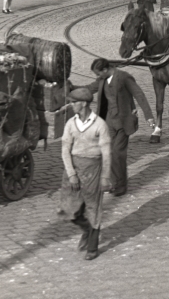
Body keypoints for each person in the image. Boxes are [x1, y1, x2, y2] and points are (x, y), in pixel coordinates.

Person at [59, 87, 111, 260]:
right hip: (74, 168)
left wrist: (105, 177)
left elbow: (107, 153)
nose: (72, 105)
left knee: (93, 207)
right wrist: (71, 173)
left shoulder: (99, 125)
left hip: (93, 169)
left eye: (74, 102)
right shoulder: (70, 124)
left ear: (83, 103)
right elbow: (65, 149)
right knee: (69, 209)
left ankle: (92, 247)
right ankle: (87, 229)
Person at [90, 58, 154, 196]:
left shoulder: (123, 77)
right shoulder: (102, 80)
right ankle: (115, 182)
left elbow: (139, 94)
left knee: (118, 153)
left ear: (105, 70)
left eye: (98, 73)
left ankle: (121, 185)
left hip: (124, 122)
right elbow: (89, 88)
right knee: (108, 152)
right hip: (108, 122)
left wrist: (148, 116)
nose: (97, 77)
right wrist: (69, 88)